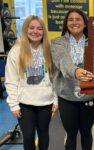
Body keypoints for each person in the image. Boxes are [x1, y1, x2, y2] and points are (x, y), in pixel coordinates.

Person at [5, 15, 58, 150]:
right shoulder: (16, 51)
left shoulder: (50, 50)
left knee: (43, 134)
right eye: (32, 28)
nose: (35, 31)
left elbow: (56, 77)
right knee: (28, 136)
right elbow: (11, 80)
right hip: (25, 103)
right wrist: (13, 104)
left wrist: (56, 99)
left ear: (44, 31)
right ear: (25, 29)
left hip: (46, 102)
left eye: (40, 28)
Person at [51, 8, 94, 150]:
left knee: (86, 133)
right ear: (66, 24)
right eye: (70, 19)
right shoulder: (58, 43)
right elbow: (62, 60)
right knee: (71, 135)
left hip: (89, 96)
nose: (74, 22)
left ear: (85, 24)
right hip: (67, 97)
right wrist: (75, 71)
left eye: (78, 19)